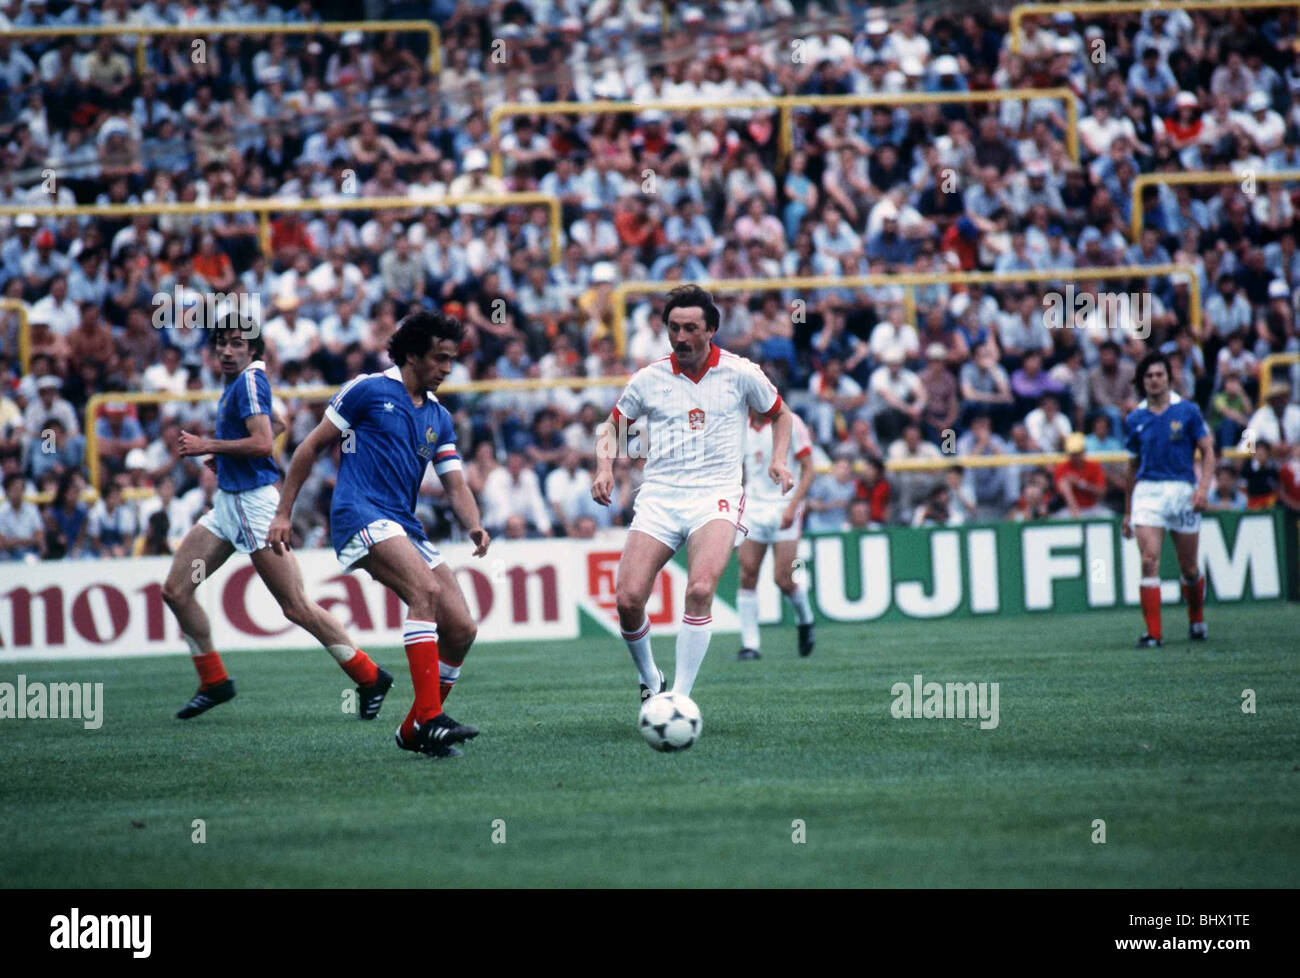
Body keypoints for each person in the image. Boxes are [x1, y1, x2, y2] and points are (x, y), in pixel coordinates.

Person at [269, 309, 491, 760]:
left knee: (463, 629)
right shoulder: (367, 390)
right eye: (440, 359)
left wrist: (474, 523)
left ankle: (414, 729)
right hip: (358, 513)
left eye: (452, 359)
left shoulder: (439, 417)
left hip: (403, 524)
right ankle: (430, 719)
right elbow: (309, 447)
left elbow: (454, 482)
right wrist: (283, 513)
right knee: (424, 591)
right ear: (412, 355)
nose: (448, 369)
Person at [162, 315, 393, 723]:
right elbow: (278, 424)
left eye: (236, 343)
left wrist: (207, 445)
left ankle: (370, 676)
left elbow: (265, 442)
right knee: (176, 591)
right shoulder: (244, 382)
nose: (226, 350)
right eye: (221, 343)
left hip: (254, 506)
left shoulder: (249, 381)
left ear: (253, 350)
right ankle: (214, 681)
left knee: (296, 606)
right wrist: (228, 455)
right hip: (229, 505)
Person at [592, 284, 793, 703]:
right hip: (661, 495)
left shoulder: (740, 373)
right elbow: (612, 428)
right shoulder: (648, 379)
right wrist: (603, 468)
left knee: (700, 589)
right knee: (628, 599)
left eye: (690, 329)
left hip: (715, 494)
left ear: (711, 331)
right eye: (673, 328)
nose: (681, 337)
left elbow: (781, 414)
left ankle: (679, 698)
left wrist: (779, 459)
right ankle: (651, 677)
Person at [1122, 351, 1215, 648]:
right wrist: (1127, 512)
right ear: (1141, 381)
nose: (1154, 380)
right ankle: (1153, 634)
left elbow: (1208, 451)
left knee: (1188, 567)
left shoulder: (1187, 411)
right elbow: (1132, 466)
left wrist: (1203, 488)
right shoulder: (1135, 418)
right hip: (1148, 493)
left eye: (1159, 375)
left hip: (1182, 491)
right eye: (1148, 376)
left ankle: (1196, 618)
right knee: (1149, 561)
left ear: (1169, 378)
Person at [735, 399, 816, 661]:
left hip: (783, 503)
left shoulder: (790, 422)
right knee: (747, 572)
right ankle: (751, 644)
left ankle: (805, 618)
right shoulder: (739, 426)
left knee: (783, 578)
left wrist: (793, 506)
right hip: (753, 506)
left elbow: (809, 469)